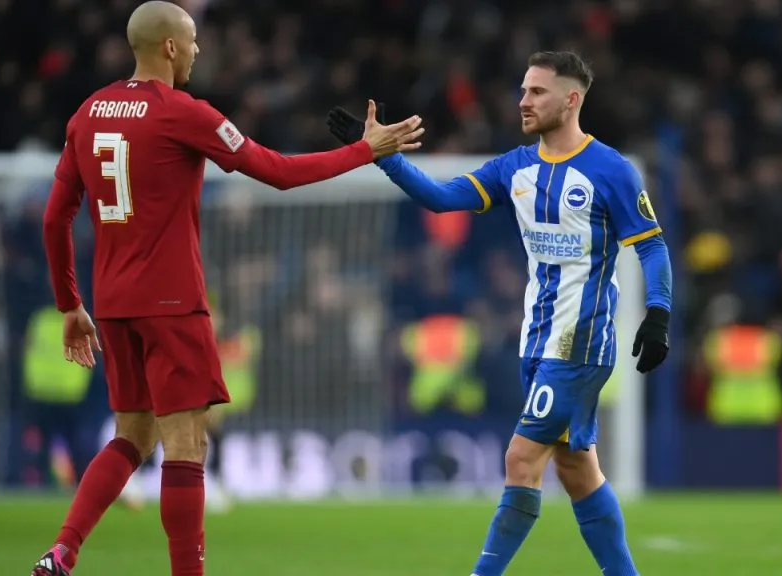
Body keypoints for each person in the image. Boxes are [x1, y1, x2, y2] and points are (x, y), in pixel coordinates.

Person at [33, 1, 424, 574]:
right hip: (172, 302)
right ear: (169, 47)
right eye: (191, 41)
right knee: (187, 444)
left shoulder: (87, 113)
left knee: (132, 436)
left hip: (113, 304)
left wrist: (70, 305)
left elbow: (54, 218)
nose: (197, 50)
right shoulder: (183, 113)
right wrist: (366, 150)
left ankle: (62, 551)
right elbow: (280, 172)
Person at [328, 50, 672, 576]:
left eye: (537, 91)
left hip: (578, 343)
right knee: (577, 471)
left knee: (519, 459)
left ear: (571, 99)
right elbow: (441, 198)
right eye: (523, 90)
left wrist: (658, 313)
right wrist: (383, 155)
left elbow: (651, 246)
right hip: (535, 341)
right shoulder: (516, 167)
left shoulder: (611, 170)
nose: (524, 101)